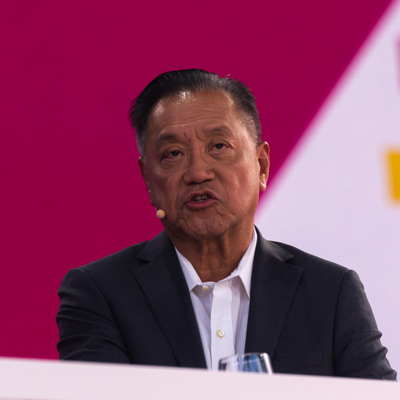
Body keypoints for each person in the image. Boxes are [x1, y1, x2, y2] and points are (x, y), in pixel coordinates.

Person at [57, 69, 396, 379]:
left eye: (219, 146)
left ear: (262, 165)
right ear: (148, 180)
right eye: (173, 153)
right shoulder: (100, 295)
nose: (197, 173)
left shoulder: (332, 293)